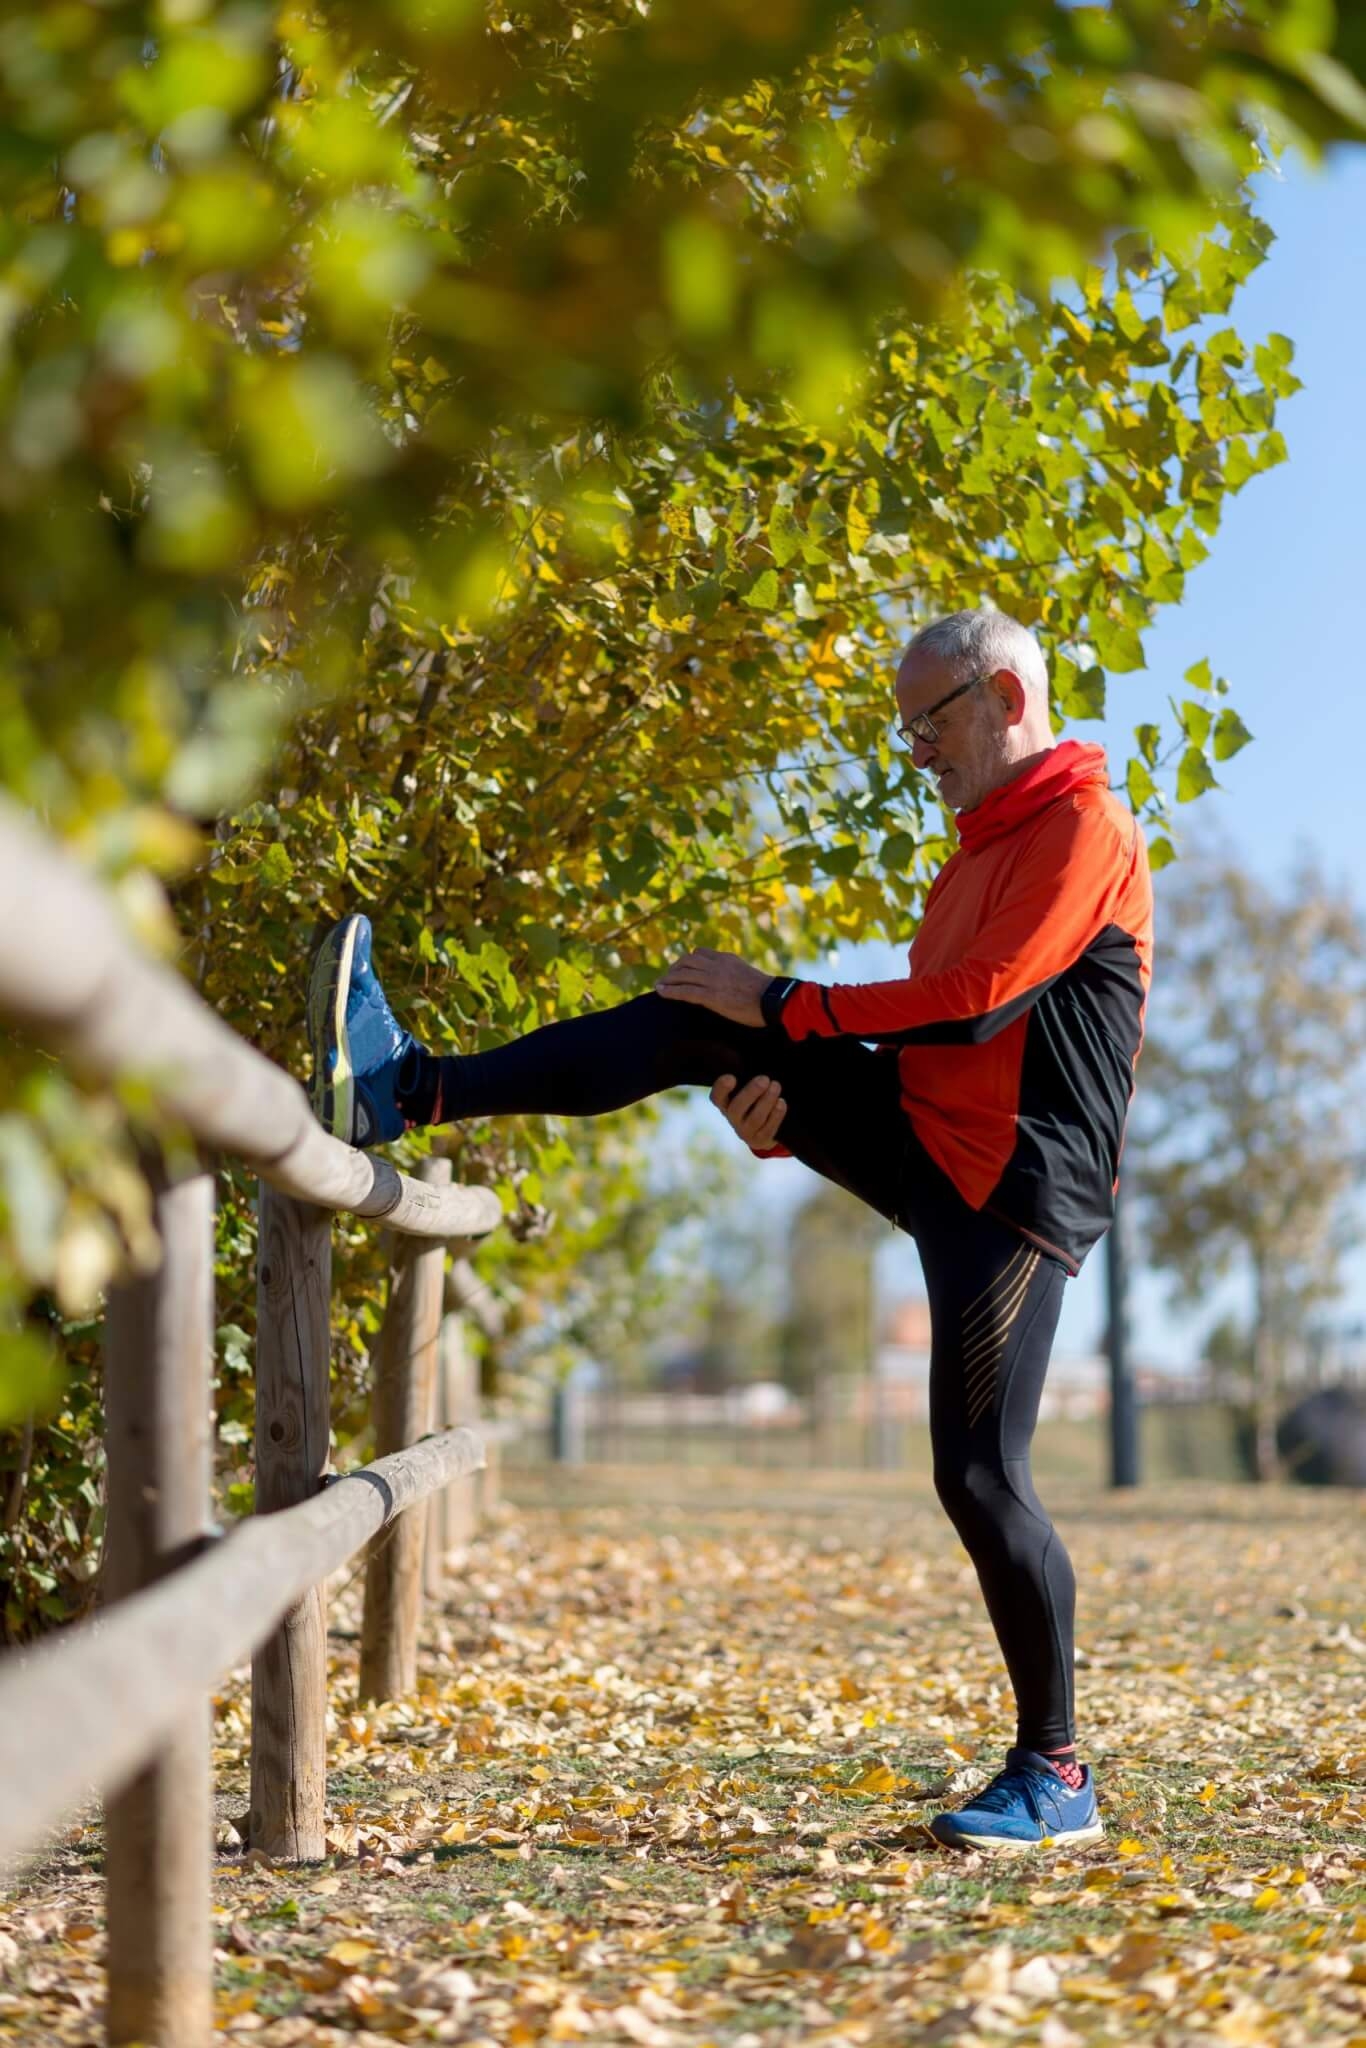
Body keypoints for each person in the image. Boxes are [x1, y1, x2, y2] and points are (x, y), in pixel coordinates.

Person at [307, 607, 1152, 1852]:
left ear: (1005, 698)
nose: (916, 749)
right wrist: (782, 1111)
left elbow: (976, 1010)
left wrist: (789, 1002)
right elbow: (919, 1049)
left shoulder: (1083, 823)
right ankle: (404, 1090)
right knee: (698, 1015)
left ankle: (1058, 1770)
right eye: (905, 724)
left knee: (980, 1475)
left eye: (930, 719)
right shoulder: (975, 848)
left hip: (1017, 1188)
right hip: (929, 1137)